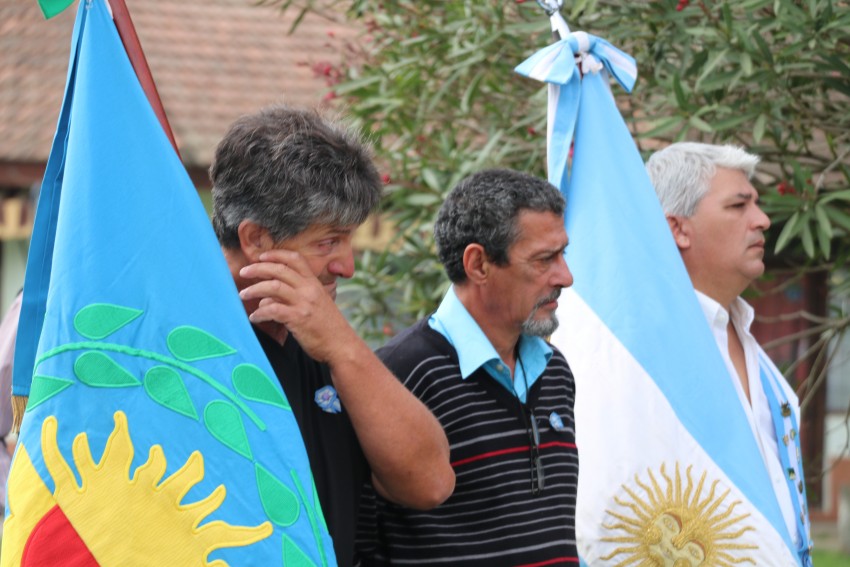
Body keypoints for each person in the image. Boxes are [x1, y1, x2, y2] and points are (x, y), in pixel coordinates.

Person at [209, 105, 454, 566]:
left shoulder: (323, 340)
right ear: (256, 239)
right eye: (328, 242)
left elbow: (430, 482)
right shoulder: (183, 342)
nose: (347, 266)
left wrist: (342, 347)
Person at [356, 168, 579, 566]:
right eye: (545, 259)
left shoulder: (555, 370)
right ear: (478, 264)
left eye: (563, 254)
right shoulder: (398, 375)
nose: (565, 276)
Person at [646, 142, 813, 565]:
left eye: (755, 203)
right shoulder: (648, 354)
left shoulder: (743, 331)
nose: (762, 220)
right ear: (677, 229)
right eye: (738, 206)